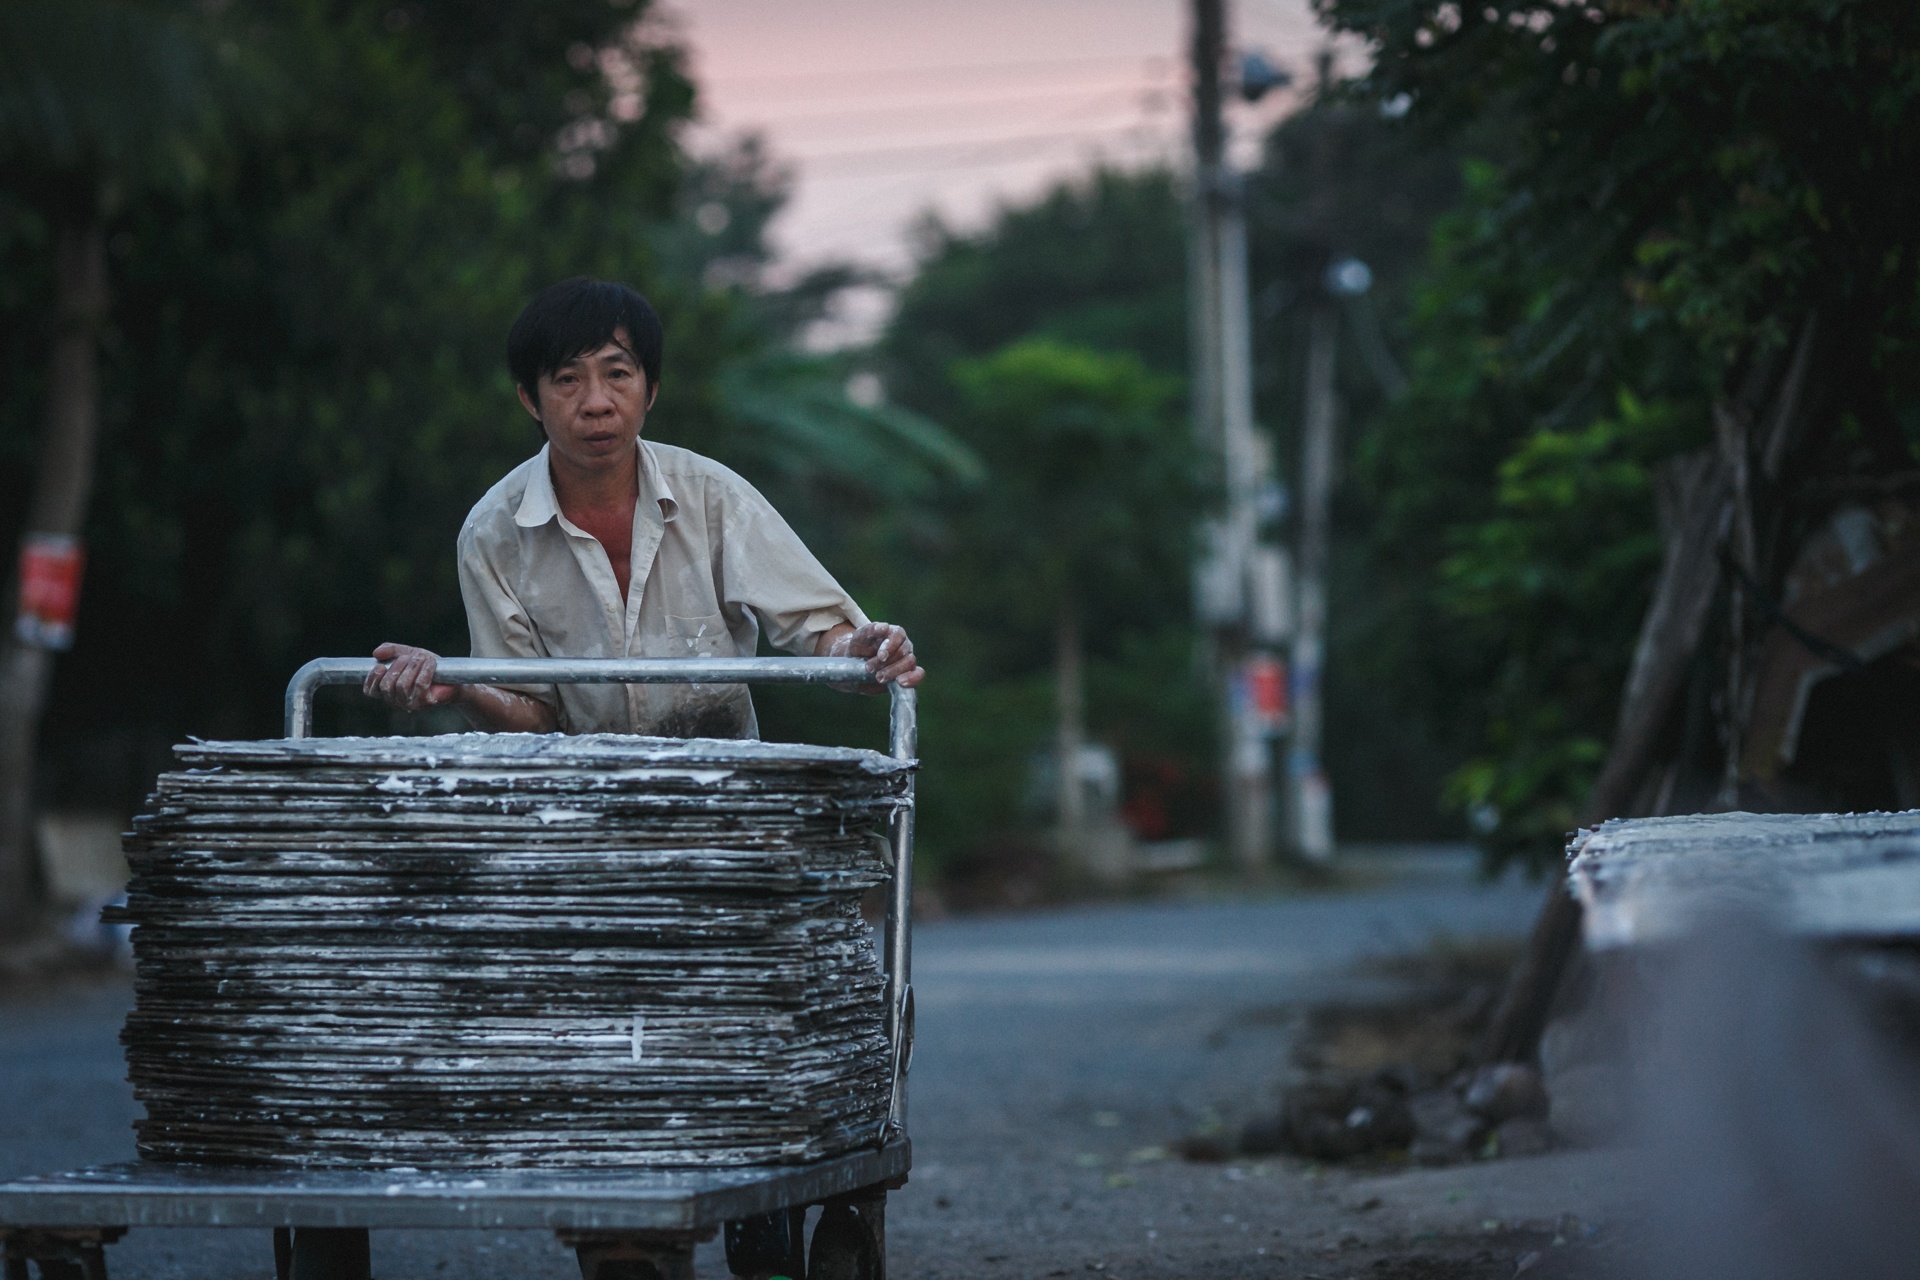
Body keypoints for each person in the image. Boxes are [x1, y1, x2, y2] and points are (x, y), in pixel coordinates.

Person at [362, 276, 923, 728]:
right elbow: (532, 714)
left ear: (649, 390)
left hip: (724, 803)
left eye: (617, 374)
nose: (596, 403)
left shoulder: (713, 495)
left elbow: (822, 635)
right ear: (530, 400)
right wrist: (459, 686)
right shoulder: (491, 533)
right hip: (580, 814)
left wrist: (862, 653)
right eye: (567, 380)